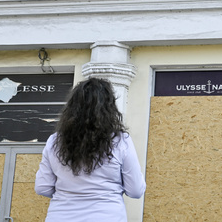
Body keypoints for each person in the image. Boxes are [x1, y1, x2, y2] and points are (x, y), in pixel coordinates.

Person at [35, 78, 146, 222]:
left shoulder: (55, 141)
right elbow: (136, 190)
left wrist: (69, 193)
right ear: (110, 108)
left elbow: (42, 188)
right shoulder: (120, 141)